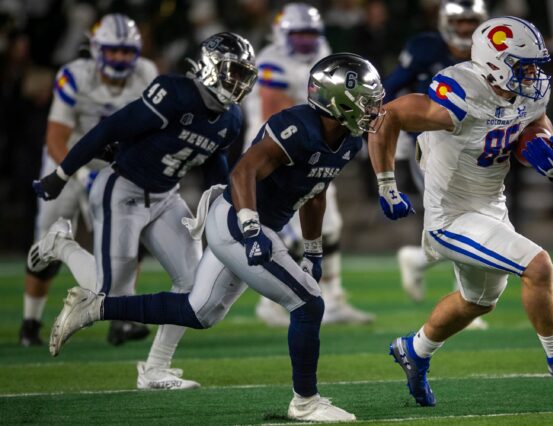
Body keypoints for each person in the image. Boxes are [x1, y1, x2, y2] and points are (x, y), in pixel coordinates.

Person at [47, 53, 385, 421]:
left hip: (253, 223)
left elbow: (315, 192)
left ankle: (94, 307)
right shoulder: (296, 126)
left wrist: (314, 251)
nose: (373, 108)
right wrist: (252, 229)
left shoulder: (350, 141)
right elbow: (242, 173)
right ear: (337, 99)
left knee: (198, 311)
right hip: (240, 218)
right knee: (308, 303)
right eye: (367, 99)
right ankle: (305, 401)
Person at [368, 16, 553, 406]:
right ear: (495, 62)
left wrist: (547, 143)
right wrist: (386, 184)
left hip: (491, 206)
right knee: (538, 265)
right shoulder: (461, 92)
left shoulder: (528, 91)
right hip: (451, 215)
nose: (532, 74)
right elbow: (386, 117)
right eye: (522, 65)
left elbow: (536, 122)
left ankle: (415, 350)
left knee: (478, 301)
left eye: (535, 65)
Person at [32, 32, 258, 390]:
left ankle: (155, 369)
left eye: (244, 76)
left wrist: (225, 211)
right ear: (212, 68)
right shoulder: (174, 92)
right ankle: (61, 244)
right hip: (122, 188)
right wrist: (61, 174)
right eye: (233, 73)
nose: (238, 83)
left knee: (193, 284)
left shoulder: (230, 119)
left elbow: (216, 170)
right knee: (113, 297)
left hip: (166, 195)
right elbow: (110, 128)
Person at [20, 14, 158, 347]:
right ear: (96, 49)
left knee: (124, 240)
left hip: (114, 165)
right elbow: (55, 137)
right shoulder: (74, 76)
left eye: (127, 52)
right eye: (113, 51)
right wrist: (77, 171)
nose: (121, 59)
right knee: (45, 246)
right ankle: (30, 322)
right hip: (65, 161)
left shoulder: (147, 75)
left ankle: (120, 319)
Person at [244, 2, 373, 327]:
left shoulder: (323, 53)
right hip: (279, 154)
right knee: (287, 236)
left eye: (310, 34)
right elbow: (275, 107)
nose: (305, 41)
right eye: (298, 34)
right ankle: (269, 302)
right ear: (281, 33)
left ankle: (333, 298)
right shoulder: (271, 60)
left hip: (314, 151)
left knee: (329, 228)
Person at [384, 1, 489, 332]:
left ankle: (418, 260)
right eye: (459, 22)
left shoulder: (489, 51)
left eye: (470, 22)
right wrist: (385, 127)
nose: (464, 29)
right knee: (461, 215)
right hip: (432, 142)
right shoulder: (425, 47)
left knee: (479, 217)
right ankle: (464, 299)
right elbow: (390, 86)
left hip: (479, 144)